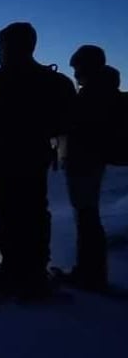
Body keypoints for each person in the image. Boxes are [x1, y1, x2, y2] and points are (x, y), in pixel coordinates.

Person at [0, 22, 76, 296]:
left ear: (12, 46)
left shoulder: (5, 76)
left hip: (8, 155)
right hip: (37, 155)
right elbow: (66, 121)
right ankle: (34, 270)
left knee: (10, 211)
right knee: (35, 209)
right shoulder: (55, 81)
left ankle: (15, 270)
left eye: (1, 45)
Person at [63, 45, 119, 291]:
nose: (75, 74)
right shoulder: (105, 91)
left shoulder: (92, 95)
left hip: (85, 162)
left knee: (87, 218)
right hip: (92, 161)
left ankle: (90, 274)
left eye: (77, 68)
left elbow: (74, 124)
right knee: (88, 217)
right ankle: (90, 272)